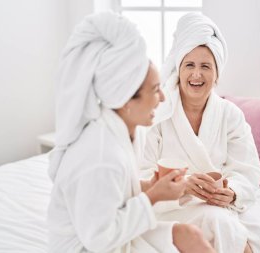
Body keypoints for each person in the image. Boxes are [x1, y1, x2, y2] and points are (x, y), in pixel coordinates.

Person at [47, 11, 215, 253]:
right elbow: (99, 238)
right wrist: (154, 196)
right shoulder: (100, 155)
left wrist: (150, 186)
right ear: (126, 100)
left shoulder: (121, 131)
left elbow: (113, 193)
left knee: (190, 235)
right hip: (91, 246)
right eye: (156, 89)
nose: (163, 97)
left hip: (113, 232)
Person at [140, 13, 260, 253]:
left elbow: (247, 169)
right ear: (178, 69)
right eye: (189, 65)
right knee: (221, 224)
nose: (196, 74)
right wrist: (182, 185)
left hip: (221, 204)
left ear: (217, 73)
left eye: (206, 66)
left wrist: (231, 192)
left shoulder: (229, 114)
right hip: (171, 205)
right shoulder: (158, 112)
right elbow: (141, 173)